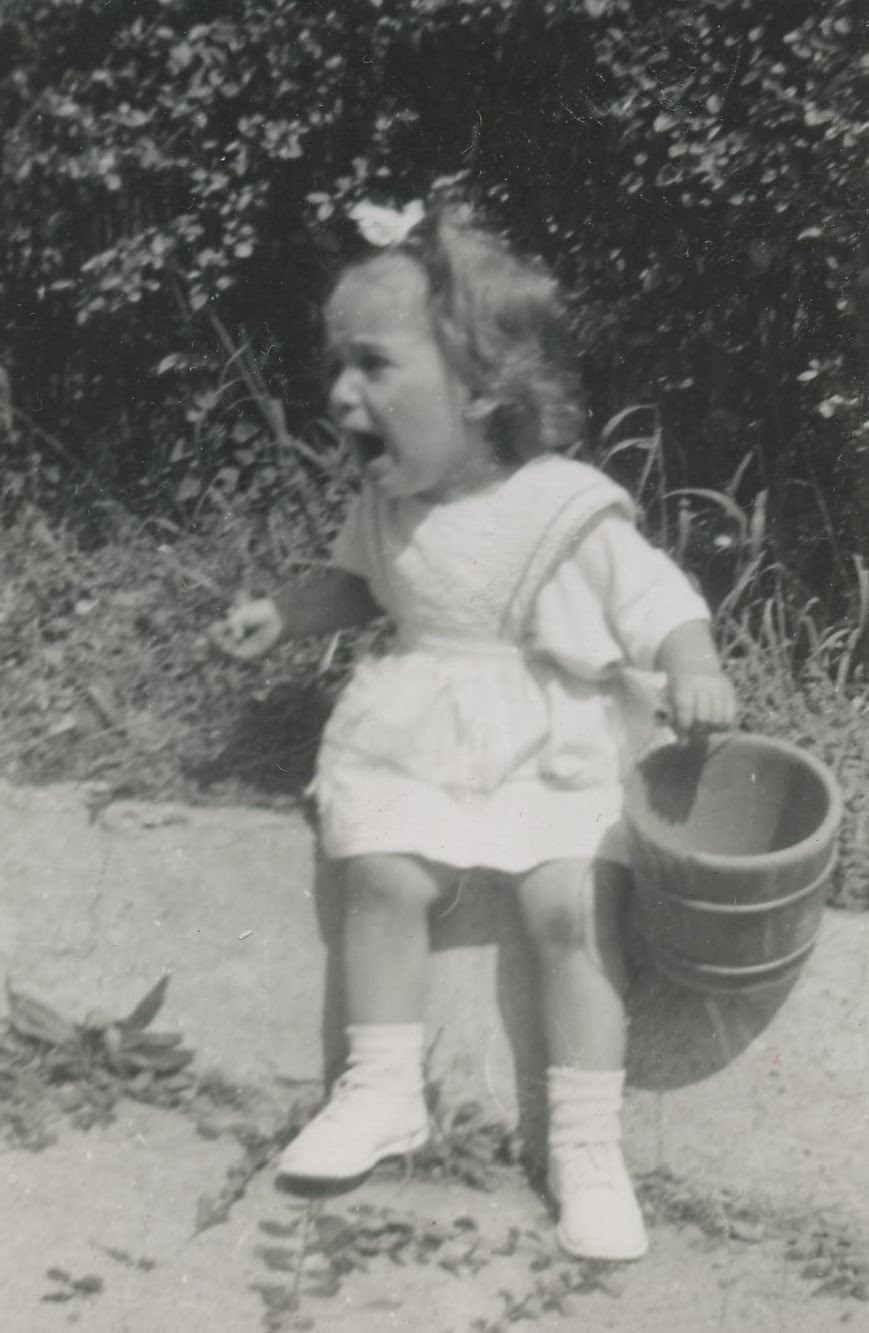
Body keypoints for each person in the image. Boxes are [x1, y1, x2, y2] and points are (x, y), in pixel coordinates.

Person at [213, 204, 737, 1262]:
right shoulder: (387, 502)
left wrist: (689, 661)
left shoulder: (560, 504)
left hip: (549, 732)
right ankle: (380, 1086)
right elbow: (357, 587)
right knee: (381, 872)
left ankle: (585, 1144)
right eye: (333, 367)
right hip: (421, 724)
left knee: (567, 900)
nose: (339, 395)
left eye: (370, 365)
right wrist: (286, 613)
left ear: (481, 388)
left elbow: (654, 594)